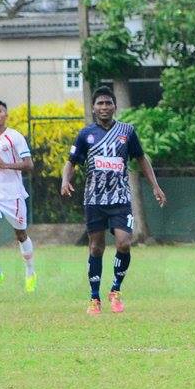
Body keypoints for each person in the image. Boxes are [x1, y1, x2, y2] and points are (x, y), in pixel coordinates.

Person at [61, 87, 166, 315]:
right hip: (94, 199)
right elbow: (71, 161)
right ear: (93, 108)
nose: (104, 107)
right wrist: (65, 180)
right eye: (100, 103)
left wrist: (155, 186)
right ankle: (94, 298)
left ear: (115, 106)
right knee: (96, 247)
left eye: (108, 103)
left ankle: (115, 290)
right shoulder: (85, 134)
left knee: (124, 243)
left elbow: (141, 159)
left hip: (120, 198)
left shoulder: (127, 131)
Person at [0, 99, 37, 292]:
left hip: (13, 193)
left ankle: (30, 272)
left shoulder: (14, 137)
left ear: (6, 115)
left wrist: (6, 165)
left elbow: (29, 164)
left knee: (21, 234)